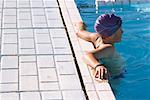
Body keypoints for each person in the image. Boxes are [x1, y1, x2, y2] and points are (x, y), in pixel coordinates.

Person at [75, 13, 124, 82]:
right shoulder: (108, 48)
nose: (122, 31)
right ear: (111, 34)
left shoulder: (96, 37)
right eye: (120, 29)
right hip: (115, 78)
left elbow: (80, 32)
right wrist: (98, 66)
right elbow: (86, 55)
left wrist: (80, 25)